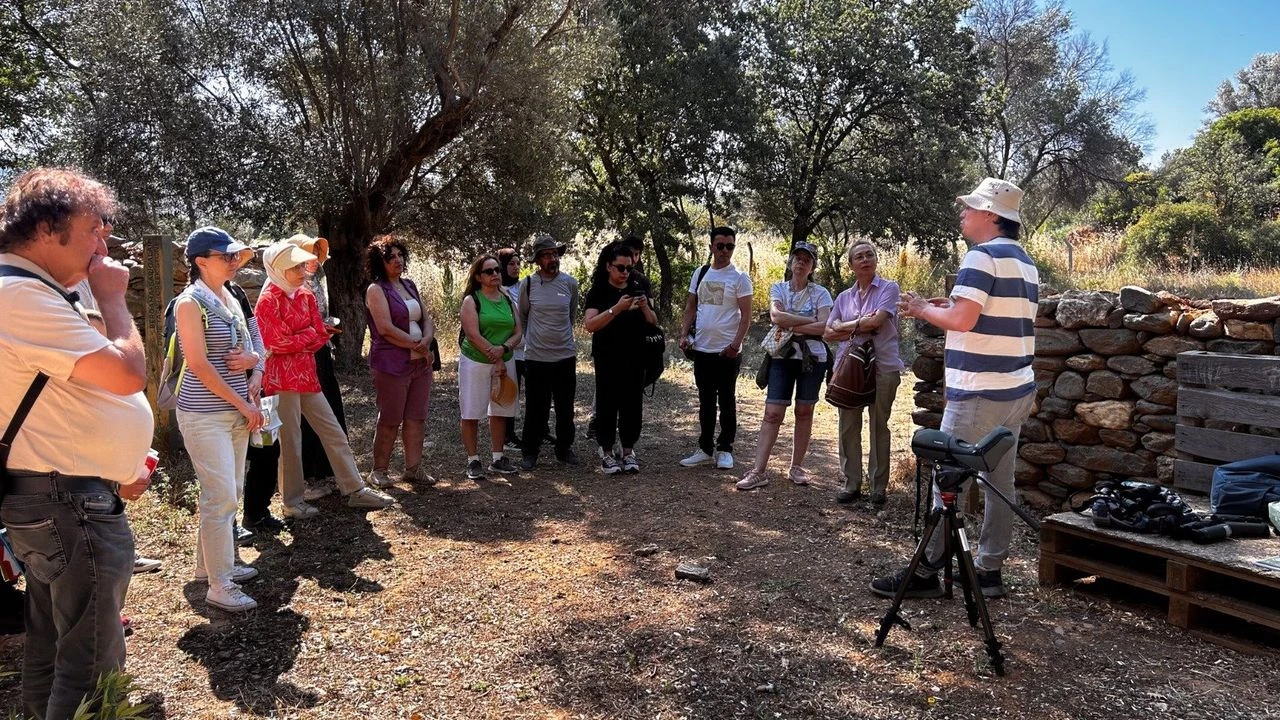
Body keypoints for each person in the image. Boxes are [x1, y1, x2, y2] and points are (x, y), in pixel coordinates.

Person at [0, 167, 154, 720]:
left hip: (62, 498)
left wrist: (113, 463)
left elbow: (63, 404)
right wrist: (114, 299)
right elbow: (127, 374)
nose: (104, 245)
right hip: (70, 509)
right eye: (95, 229)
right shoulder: (16, 296)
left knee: (53, 653)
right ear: (45, 228)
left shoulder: (33, 293)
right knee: (88, 668)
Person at [871, 178, 1037, 600]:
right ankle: (988, 570)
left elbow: (963, 321)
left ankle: (927, 570)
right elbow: (986, 314)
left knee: (949, 481)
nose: (963, 213)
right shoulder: (1023, 261)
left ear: (991, 216)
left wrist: (925, 309)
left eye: (970, 207)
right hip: (1015, 388)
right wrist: (946, 307)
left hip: (978, 391)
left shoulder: (981, 257)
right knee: (1000, 480)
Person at [256, 241, 395, 517]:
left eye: (300, 265)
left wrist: (306, 338)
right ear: (277, 268)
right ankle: (292, 502)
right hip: (281, 379)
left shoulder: (305, 295)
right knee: (290, 439)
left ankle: (354, 489)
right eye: (294, 266)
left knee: (333, 430)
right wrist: (310, 337)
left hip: (306, 375)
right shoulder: (268, 301)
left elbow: (315, 333)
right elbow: (277, 341)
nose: (301, 270)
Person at [173, 227, 266, 612]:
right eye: (225, 256)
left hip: (234, 411)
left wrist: (254, 368)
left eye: (234, 256)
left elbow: (256, 342)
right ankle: (220, 584)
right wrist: (244, 405)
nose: (233, 261)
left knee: (228, 491)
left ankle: (207, 568)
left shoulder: (231, 295)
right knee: (221, 496)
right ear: (200, 262)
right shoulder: (189, 303)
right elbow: (198, 365)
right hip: (204, 414)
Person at [736, 242, 832, 490]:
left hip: (813, 359)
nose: (801, 263)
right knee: (772, 413)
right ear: (791, 263)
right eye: (797, 258)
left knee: (804, 411)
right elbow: (776, 317)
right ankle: (758, 471)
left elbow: (824, 327)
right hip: (781, 356)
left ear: (812, 267)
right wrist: (808, 321)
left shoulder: (821, 293)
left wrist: (791, 324)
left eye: (807, 260)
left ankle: (797, 466)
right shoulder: (778, 288)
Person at [824, 239, 905, 506]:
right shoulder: (843, 297)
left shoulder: (889, 289)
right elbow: (828, 332)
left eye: (870, 254)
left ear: (876, 260)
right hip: (849, 372)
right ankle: (851, 484)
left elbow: (877, 322)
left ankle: (878, 488)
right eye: (859, 256)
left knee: (879, 425)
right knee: (848, 426)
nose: (865, 259)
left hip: (884, 367)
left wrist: (846, 325)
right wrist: (861, 324)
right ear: (851, 265)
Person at [678, 226, 753, 470]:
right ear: (711, 247)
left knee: (727, 400)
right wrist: (684, 335)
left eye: (729, 246)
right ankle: (705, 448)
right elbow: (691, 307)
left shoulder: (740, 278)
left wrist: (735, 345)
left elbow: (746, 316)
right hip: (702, 349)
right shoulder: (700, 274)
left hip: (727, 352)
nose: (724, 251)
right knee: (705, 400)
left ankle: (725, 449)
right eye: (719, 245)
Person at [364, 234, 436, 486]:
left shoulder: (410, 285)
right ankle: (379, 471)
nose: (397, 260)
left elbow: (426, 318)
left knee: (417, 416)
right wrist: (415, 344)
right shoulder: (376, 290)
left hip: (421, 364)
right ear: (379, 262)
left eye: (399, 255)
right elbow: (384, 328)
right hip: (392, 365)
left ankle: (413, 468)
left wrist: (427, 340)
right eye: (390, 257)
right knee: (390, 418)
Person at [281, 234, 348, 500]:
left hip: (320, 350)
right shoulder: (286, 285)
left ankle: (327, 472)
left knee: (329, 408)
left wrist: (324, 328)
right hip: (300, 355)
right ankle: (308, 479)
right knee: (304, 420)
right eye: (310, 251)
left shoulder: (315, 279)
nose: (314, 258)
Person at [583, 242, 657, 474]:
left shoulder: (638, 285)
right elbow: (590, 325)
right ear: (608, 266)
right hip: (607, 356)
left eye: (628, 267)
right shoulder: (598, 291)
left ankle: (628, 450)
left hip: (635, 355)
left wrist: (644, 307)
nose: (625, 272)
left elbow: (653, 322)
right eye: (620, 267)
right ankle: (606, 452)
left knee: (632, 404)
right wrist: (617, 308)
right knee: (607, 403)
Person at [518, 234, 580, 470]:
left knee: (566, 407)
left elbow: (571, 316)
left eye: (555, 254)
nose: (553, 259)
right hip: (536, 357)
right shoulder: (529, 284)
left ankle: (564, 449)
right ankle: (530, 452)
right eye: (547, 255)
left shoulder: (570, 283)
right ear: (538, 260)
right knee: (536, 407)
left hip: (565, 355)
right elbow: (522, 316)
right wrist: (532, 340)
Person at [458, 254, 523, 480]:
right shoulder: (471, 301)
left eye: (497, 270)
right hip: (476, 361)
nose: (495, 274)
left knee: (501, 408)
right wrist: (495, 356)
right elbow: (473, 335)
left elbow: (518, 331)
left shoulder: (506, 298)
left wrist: (504, 348)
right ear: (478, 276)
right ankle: (473, 460)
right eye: (489, 271)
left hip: (504, 360)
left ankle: (498, 458)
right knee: (471, 411)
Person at [496, 247, 525, 450]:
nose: (515, 267)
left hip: (527, 348)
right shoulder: (498, 290)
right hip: (508, 349)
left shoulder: (524, 286)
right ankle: (506, 436)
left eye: (517, 263)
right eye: (511, 264)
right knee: (508, 391)